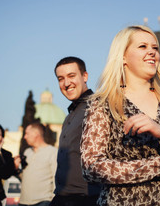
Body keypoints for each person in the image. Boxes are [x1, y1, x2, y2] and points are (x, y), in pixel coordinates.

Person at [80, 25, 160, 205]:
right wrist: (159, 165)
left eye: (155, 48)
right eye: (143, 47)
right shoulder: (102, 103)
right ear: (123, 56)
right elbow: (91, 167)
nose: (152, 52)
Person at [50, 56, 101, 206]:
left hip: (87, 199)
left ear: (85, 76)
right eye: (61, 78)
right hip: (62, 197)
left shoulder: (98, 106)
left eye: (71, 76)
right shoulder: (68, 117)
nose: (66, 83)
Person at [14, 122, 57, 206]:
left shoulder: (53, 152)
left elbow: (56, 178)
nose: (24, 137)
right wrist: (16, 168)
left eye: (27, 133)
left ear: (36, 134)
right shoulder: (27, 152)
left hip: (43, 202)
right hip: (23, 202)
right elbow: (24, 177)